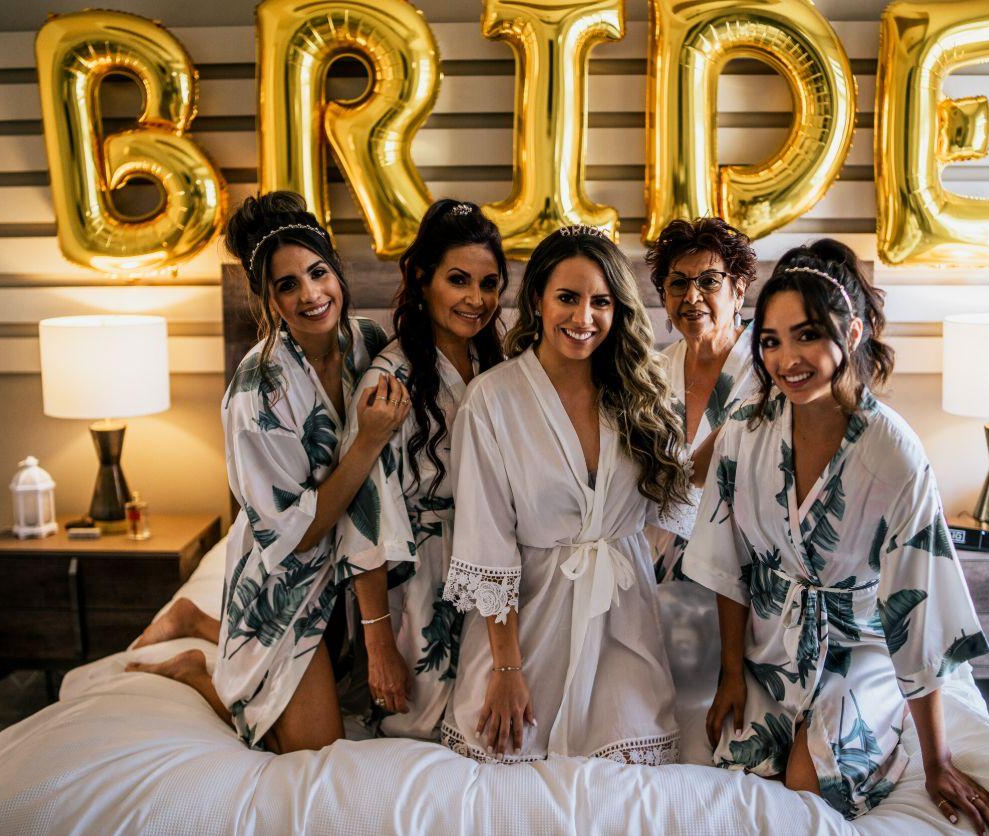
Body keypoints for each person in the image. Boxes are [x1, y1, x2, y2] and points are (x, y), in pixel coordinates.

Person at [684, 239, 989, 830]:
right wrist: (730, 674)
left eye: (807, 335)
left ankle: (888, 733)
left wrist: (938, 761)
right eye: (771, 341)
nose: (787, 359)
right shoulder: (745, 430)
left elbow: (919, 609)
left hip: (860, 644)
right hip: (770, 641)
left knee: (811, 779)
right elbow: (728, 563)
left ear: (851, 333)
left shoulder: (894, 454)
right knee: (749, 767)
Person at [126, 192, 409, 753]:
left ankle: (201, 622)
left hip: (360, 565)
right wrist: (368, 441)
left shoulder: (370, 343)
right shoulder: (256, 393)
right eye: (287, 285)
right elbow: (296, 534)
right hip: (289, 575)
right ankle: (198, 669)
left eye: (318, 273)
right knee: (310, 749)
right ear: (270, 300)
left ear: (336, 272)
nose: (311, 294)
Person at [439, 225, 689, 764]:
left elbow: (675, 495)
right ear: (537, 300)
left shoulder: (641, 392)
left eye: (601, 302)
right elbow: (487, 543)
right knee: (508, 775)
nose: (584, 317)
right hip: (525, 634)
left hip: (624, 629)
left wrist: (633, 554)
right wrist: (507, 670)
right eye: (568, 298)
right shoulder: (492, 401)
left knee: (630, 783)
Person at [337, 200, 509, 739]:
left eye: (489, 284)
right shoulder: (388, 382)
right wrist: (379, 643)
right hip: (416, 576)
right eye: (458, 280)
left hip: (490, 564)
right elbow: (366, 516)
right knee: (417, 729)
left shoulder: (497, 366)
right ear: (420, 277)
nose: (476, 299)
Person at [644, 218, 758, 582]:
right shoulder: (652, 375)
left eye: (709, 281)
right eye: (678, 283)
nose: (692, 297)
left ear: (738, 289)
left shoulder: (770, 371)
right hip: (661, 571)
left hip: (747, 568)